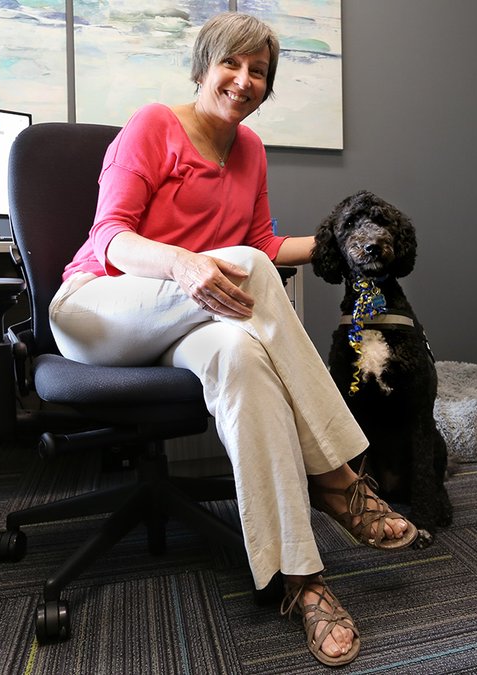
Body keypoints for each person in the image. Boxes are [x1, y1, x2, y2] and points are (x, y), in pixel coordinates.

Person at [49, 12, 414, 668]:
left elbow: (268, 244)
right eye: (232, 65)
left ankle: (303, 582)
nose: (244, 81)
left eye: (259, 73)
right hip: (99, 309)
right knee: (244, 266)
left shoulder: (250, 152)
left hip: (184, 321)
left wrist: (350, 246)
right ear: (203, 67)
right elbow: (109, 237)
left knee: (244, 355)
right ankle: (338, 478)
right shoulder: (153, 125)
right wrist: (185, 262)